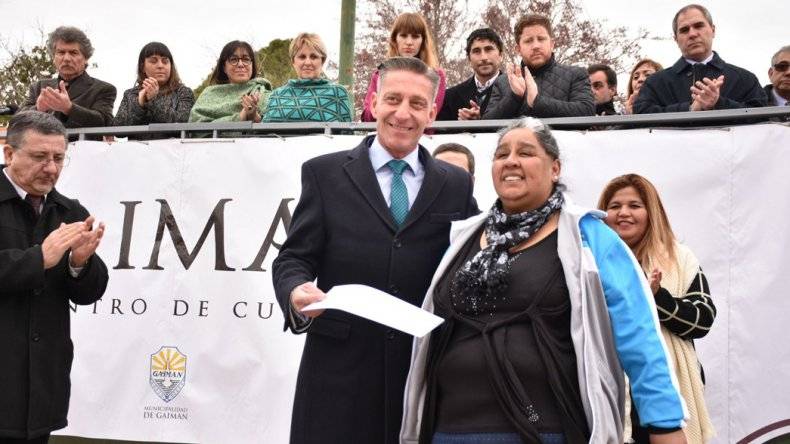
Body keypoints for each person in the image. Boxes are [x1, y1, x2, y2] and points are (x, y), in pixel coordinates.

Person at [401, 117, 688, 444]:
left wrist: (664, 424)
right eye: (502, 154)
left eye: (525, 153)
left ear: (555, 169)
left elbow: (638, 335)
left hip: (547, 431)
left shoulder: (589, 238)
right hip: (450, 431)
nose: (511, 161)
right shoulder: (463, 239)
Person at [272, 57, 477, 444]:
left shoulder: (456, 184)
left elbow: (470, 261)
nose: (403, 113)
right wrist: (295, 289)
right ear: (374, 102)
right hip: (338, 377)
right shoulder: (323, 173)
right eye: (393, 99)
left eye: (417, 103)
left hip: (420, 375)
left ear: (432, 112)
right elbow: (294, 257)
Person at [0, 111, 108, 443]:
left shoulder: (70, 211)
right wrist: (39, 259)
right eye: (39, 157)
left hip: (41, 387)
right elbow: (39, 261)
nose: (51, 168)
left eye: (58, 158)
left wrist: (80, 263)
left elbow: (89, 293)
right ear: (9, 153)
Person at [598, 174, 716, 444]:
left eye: (634, 205)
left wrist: (657, 298)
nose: (623, 213)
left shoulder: (678, 257)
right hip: (607, 390)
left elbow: (703, 320)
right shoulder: (588, 260)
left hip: (663, 393)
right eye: (615, 206)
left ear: (652, 213)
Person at [633, 4, 766, 113]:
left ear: (713, 30)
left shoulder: (744, 79)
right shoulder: (655, 83)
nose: (692, 34)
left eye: (698, 26)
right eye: (684, 30)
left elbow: (762, 114)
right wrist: (689, 109)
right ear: (676, 39)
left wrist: (719, 103)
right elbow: (641, 114)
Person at [483, 15, 594, 119]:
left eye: (541, 39)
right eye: (528, 41)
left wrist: (537, 102)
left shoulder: (575, 74)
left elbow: (587, 111)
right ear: (518, 49)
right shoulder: (502, 81)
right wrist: (514, 97)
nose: (536, 46)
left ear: (552, 44)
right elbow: (487, 122)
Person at [20, 26, 116, 128]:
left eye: (73, 53)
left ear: (86, 58)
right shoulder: (38, 87)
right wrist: (38, 109)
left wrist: (69, 108)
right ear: (53, 57)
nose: (66, 58)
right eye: (61, 52)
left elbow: (104, 121)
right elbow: (17, 120)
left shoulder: (103, 89)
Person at [361, 12, 446, 122]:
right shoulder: (380, 74)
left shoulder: (436, 75)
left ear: (423, 40)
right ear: (394, 39)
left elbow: (428, 115)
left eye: (415, 36)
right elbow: (367, 117)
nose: (409, 42)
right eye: (403, 35)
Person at [263, 33, 353, 122]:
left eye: (313, 57)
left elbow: (345, 130)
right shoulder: (277, 95)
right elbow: (264, 130)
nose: (308, 62)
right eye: (302, 57)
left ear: (322, 61)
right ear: (293, 62)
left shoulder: (337, 93)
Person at [114, 42, 195, 127]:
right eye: (153, 61)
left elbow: (183, 122)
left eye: (165, 61)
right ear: (142, 67)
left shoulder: (183, 92)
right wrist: (139, 104)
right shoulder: (130, 94)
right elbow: (117, 128)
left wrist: (153, 100)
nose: (160, 66)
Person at [189, 40, 272, 122]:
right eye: (234, 59)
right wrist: (241, 116)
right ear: (224, 68)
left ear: (252, 65)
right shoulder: (208, 94)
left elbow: (272, 125)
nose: (240, 64)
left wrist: (254, 116)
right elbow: (195, 126)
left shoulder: (264, 93)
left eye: (246, 59)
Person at [437, 28, 504, 121]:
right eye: (476, 51)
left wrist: (482, 119)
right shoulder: (450, 97)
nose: (483, 57)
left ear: (501, 55)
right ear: (469, 59)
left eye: (488, 49)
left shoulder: (515, 92)